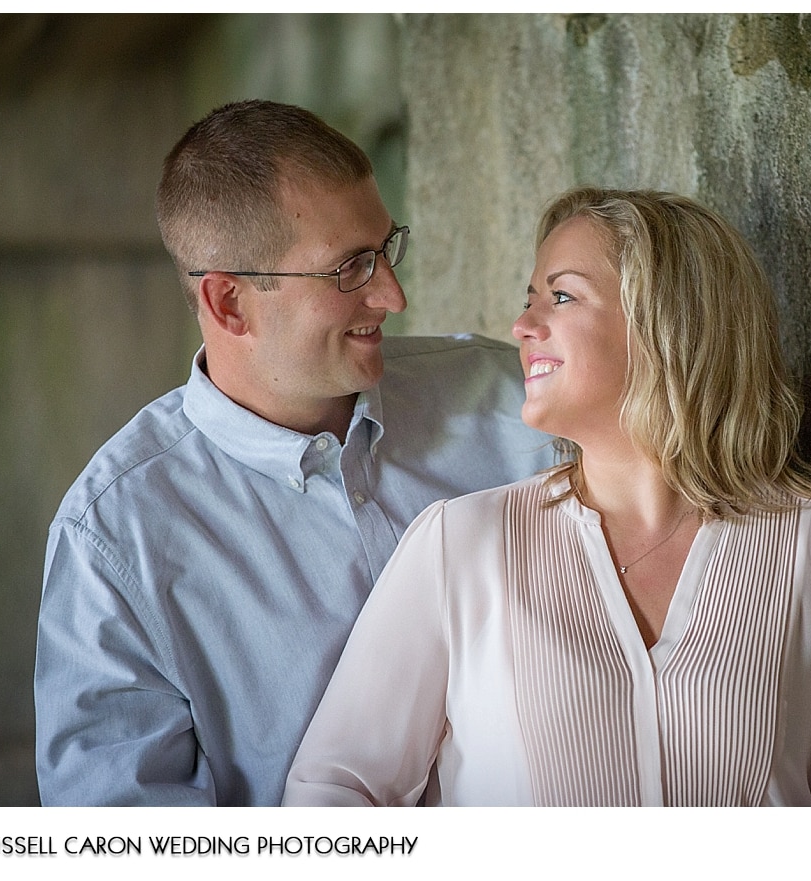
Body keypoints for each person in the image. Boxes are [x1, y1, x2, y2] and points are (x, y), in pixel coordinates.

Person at [282, 187, 811, 807]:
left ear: (665, 324)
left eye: (561, 296)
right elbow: (335, 790)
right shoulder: (461, 543)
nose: (522, 325)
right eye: (529, 296)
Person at [33, 99, 555, 806]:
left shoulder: (516, 400)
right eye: (351, 269)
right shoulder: (113, 539)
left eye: (385, 248)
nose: (393, 296)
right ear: (229, 305)